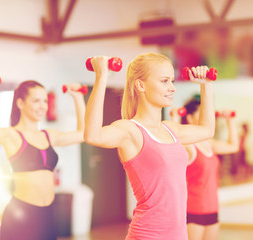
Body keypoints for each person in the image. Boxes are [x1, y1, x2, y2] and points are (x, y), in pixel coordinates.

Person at [84, 53, 215, 240]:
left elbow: (207, 130)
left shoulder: (171, 129)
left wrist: (206, 85)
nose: (171, 88)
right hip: (148, 235)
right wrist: (101, 77)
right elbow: (92, 135)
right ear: (140, 85)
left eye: (171, 81)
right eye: (164, 81)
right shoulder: (130, 130)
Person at [0, 73, 86, 240]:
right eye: (36, 101)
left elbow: (84, 134)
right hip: (20, 216)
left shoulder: (49, 135)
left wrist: (78, 98)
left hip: (48, 215)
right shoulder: (12, 136)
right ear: (20, 103)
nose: (42, 106)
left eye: (45, 101)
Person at [171, 97, 239, 240]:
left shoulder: (209, 144)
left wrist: (230, 121)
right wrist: (175, 118)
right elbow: (175, 141)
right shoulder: (189, 146)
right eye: (201, 112)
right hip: (193, 209)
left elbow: (233, 146)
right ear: (189, 118)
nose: (206, 116)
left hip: (212, 207)